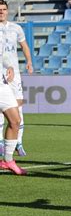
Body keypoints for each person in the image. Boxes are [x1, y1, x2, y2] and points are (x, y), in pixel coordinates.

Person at [0, 0, 33, 158]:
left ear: (7, 11)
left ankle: (18, 142)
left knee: (18, 106)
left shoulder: (16, 28)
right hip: (0, 74)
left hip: (14, 74)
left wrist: (29, 61)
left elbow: (24, 45)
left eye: (4, 9)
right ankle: (1, 142)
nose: (1, 12)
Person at [0, 40, 26, 175]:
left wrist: (9, 65)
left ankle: (8, 161)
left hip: (2, 86)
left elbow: (2, 55)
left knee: (15, 121)